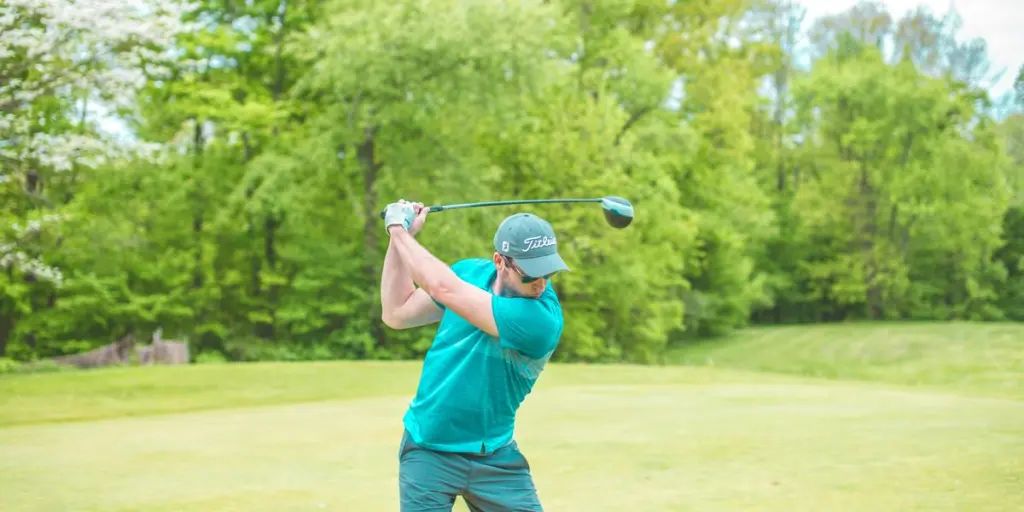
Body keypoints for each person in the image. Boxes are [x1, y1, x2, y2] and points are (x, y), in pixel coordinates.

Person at [379, 199, 569, 512]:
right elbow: (397, 312)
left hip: (495, 457)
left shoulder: (541, 319)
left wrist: (397, 228)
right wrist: (402, 240)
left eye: (548, 273)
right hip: (428, 447)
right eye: (530, 274)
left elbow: (444, 288)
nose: (540, 283)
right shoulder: (468, 273)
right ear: (500, 261)